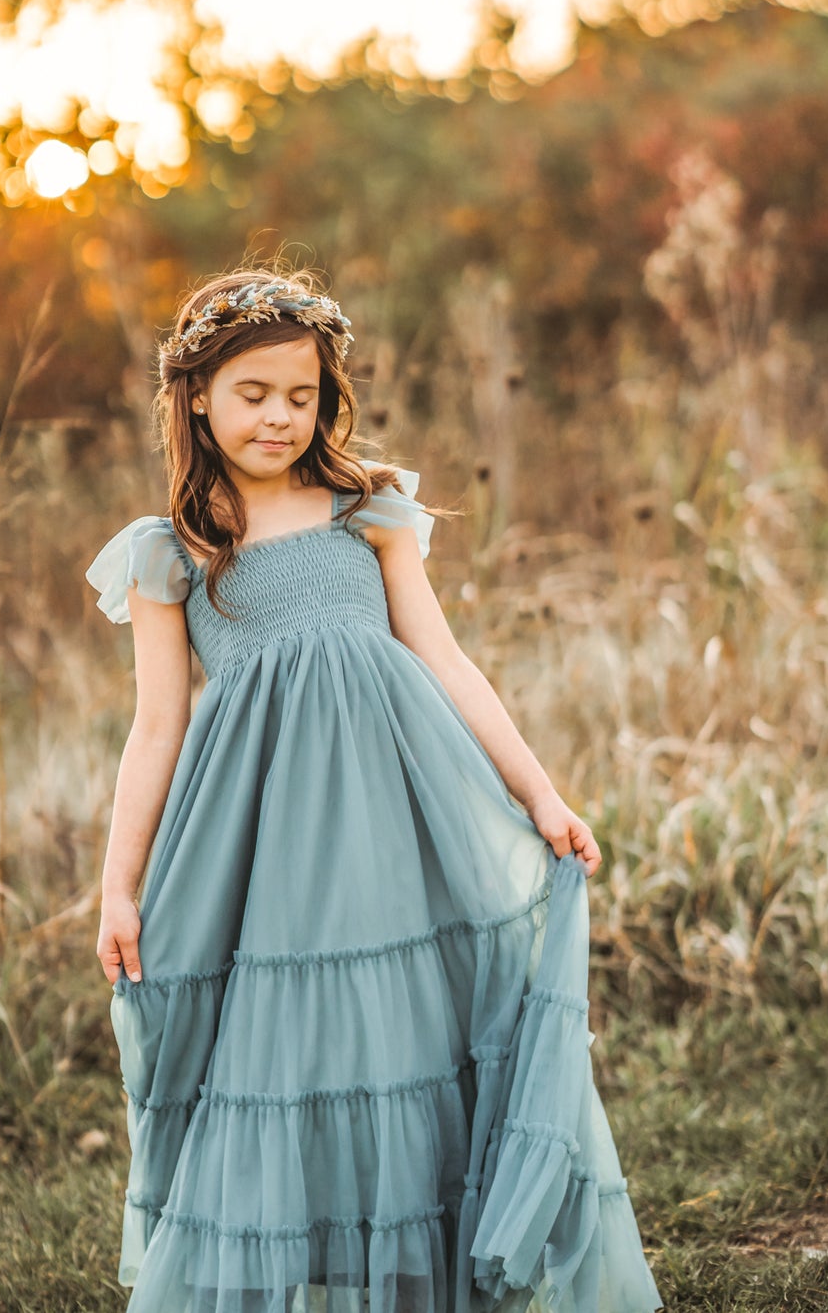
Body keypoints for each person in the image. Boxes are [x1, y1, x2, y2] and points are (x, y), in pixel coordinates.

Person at [85, 265, 663, 1313]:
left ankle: (420, 1268)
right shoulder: (173, 550)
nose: (278, 416)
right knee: (287, 1048)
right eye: (253, 392)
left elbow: (444, 659)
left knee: (416, 1032)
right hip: (269, 848)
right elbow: (157, 724)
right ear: (197, 397)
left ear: (326, 398)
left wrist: (539, 794)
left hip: (402, 814)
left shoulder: (368, 508)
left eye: (300, 395)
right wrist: (119, 883)